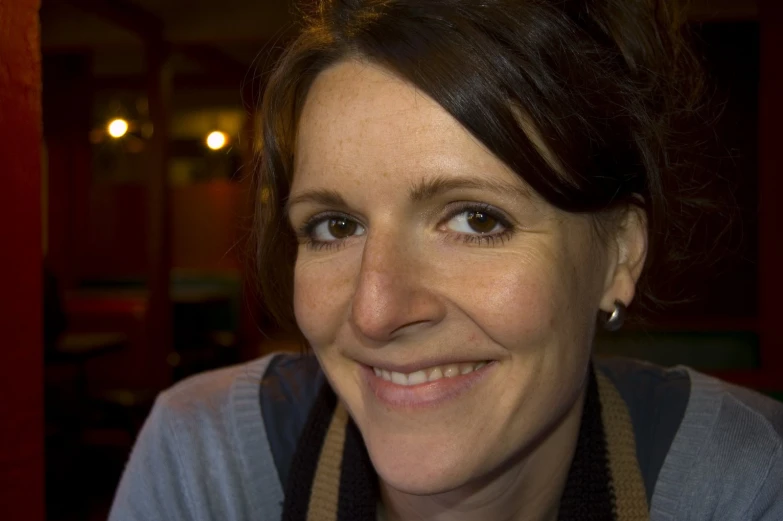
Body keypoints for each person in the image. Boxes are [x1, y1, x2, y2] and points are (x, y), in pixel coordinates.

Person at [109, 1, 783, 519]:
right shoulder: (208, 464)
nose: (376, 310)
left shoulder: (740, 478)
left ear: (618, 251)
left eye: (475, 219)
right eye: (334, 225)